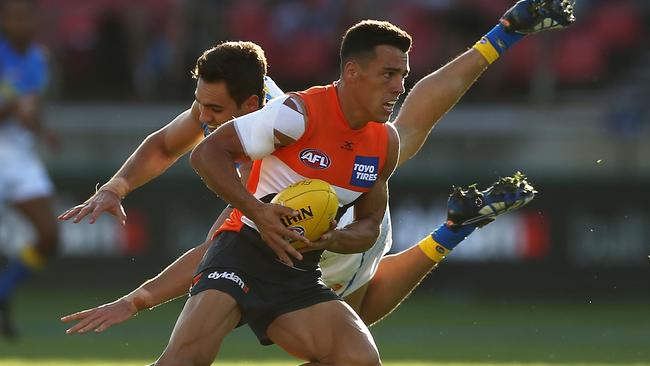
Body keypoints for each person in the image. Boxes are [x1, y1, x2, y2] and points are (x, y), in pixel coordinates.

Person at [60, 0, 570, 342]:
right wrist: (116, 185)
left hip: (340, 226)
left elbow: (213, 250)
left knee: (349, 317)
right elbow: (169, 144)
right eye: (203, 110)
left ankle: (454, 227)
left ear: (253, 102)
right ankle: (502, 39)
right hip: (312, 214)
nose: (204, 120)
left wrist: (137, 299)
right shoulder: (238, 110)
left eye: (215, 113)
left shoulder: (285, 119)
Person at [0, 0, 59, 339]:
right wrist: (12, 108)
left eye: (27, 16)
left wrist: (42, 129)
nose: (22, 22)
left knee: (49, 237)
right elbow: (15, 105)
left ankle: (3, 291)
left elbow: (30, 106)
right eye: (15, 16)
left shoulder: (38, 58)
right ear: (5, 22)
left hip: (19, 157)